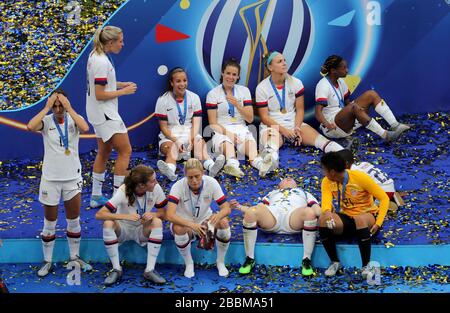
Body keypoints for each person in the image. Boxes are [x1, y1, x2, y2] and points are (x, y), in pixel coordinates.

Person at [27, 89, 92, 277]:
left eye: (60, 104)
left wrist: (69, 108)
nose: (57, 109)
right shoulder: (46, 121)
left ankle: (74, 257)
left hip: (72, 178)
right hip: (50, 179)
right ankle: (47, 261)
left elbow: (86, 128)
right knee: (50, 223)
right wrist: (46, 107)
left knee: (73, 221)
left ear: (66, 103)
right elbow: (31, 126)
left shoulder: (74, 118)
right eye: (55, 105)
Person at [255, 51, 344, 176]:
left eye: (284, 60)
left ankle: (346, 156)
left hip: (293, 122)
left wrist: (296, 127)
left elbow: (300, 110)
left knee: (322, 142)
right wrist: (284, 131)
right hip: (272, 125)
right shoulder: (262, 87)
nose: (284, 63)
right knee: (271, 148)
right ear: (270, 67)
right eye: (279, 61)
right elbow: (264, 117)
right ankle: (268, 163)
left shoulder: (296, 82)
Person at [86, 25, 137, 208]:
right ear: (110, 43)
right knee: (125, 151)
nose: (123, 44)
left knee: (105, 151)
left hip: (95, 111)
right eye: (120, 41)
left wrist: (120, 84)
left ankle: (95, 196)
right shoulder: (101, 62)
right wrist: (125, 92)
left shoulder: (95, 55)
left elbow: (102, 84)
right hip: (105, 112)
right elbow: (100, 94)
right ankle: (117, 199)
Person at [230, 177, 321, 276]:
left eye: (291, 178)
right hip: (273, 216)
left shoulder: (304, 193)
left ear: (296, 185)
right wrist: (239, 207)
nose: (288, 177)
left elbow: (316, 209)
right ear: (279, 185)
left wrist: (323, 217)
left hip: (294, 216)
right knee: (252, 211)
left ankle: (306, 260)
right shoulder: (272, 193)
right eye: (285, 178)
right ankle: (249, 258)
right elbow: (257, 209)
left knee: (309, 212)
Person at [318, 151, 389, 279]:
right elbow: (326, 203)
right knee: (323, 219)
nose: (323, 173)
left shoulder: (360, 177)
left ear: (332, 172)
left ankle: (366, 266)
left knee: (360, 220)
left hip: (366, 216)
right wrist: (327, 213)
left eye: (324, 170)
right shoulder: (326, 182)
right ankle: (335, 262)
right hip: (346, 218)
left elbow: (384, 198)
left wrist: (379, 222)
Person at [95, 164, 167, 286]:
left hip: (141, 229)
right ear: (141, 185)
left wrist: (154, 215)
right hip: (123, 230)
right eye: (152, 181)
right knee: (108, 223)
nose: (156, 182)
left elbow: (163, 213)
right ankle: (116, 269)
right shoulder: (123, 190)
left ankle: (149, 270)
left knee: (157, 222)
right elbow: (99, 214)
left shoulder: (156, 189)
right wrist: (124, 216)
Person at [315, 55, 410, 143]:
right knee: (353, 107)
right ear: (333, 70)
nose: (347, 70)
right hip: (332, 128)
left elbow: (347, 103)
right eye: (344, 68)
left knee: (371, 94)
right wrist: (328, 125)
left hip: (344, 122)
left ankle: (395, 125)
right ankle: (385, 135)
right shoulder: (323, 85)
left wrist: (359, 114)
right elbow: (318, 113)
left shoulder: (340, 82)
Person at [155, 67, 225, 181]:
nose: (182, 84)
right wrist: (176, 141)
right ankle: (170, 171)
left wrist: (190, 139)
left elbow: (196, 125)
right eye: (178, 81)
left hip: (189, 133)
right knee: (171, 149)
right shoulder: (162, 100)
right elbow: (163, 127)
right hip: (170, 137)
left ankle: (211, 167)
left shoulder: (194, 98)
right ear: (171, 83)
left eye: (184, 80)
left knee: (200, 144)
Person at [166, 158, 232, 278]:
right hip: (185, 223)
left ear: (203, 173)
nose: (194, 180)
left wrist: (218, 215)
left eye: (197, 176)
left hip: (204, 220)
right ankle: (189, 263)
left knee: (223, 222)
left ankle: (220, 262)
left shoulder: (211, 182)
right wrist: (191, 225)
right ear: (185, 175)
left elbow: (226, 208)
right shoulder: (177, 186)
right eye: (190, 177)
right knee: (179, 228)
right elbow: (169, 215)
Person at [206, 58, 272, 178]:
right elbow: (212, 123)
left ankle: (261, 165)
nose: (230, 77)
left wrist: (237, 105)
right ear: (222, 73)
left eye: (234, 74)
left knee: (252, 149)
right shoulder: (213, 94)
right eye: (228, 73)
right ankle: (233, 166)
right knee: (228, 146)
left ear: (238, 77)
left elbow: (250, 119)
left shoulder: (244, 91)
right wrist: (228, 134)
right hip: (221, 130)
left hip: (241, 128)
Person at [337, 149, 405, 211]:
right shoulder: (363, 163)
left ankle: (386, 204)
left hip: (383, 193)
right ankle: (393, 195)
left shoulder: (353, 172)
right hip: (389, 184)